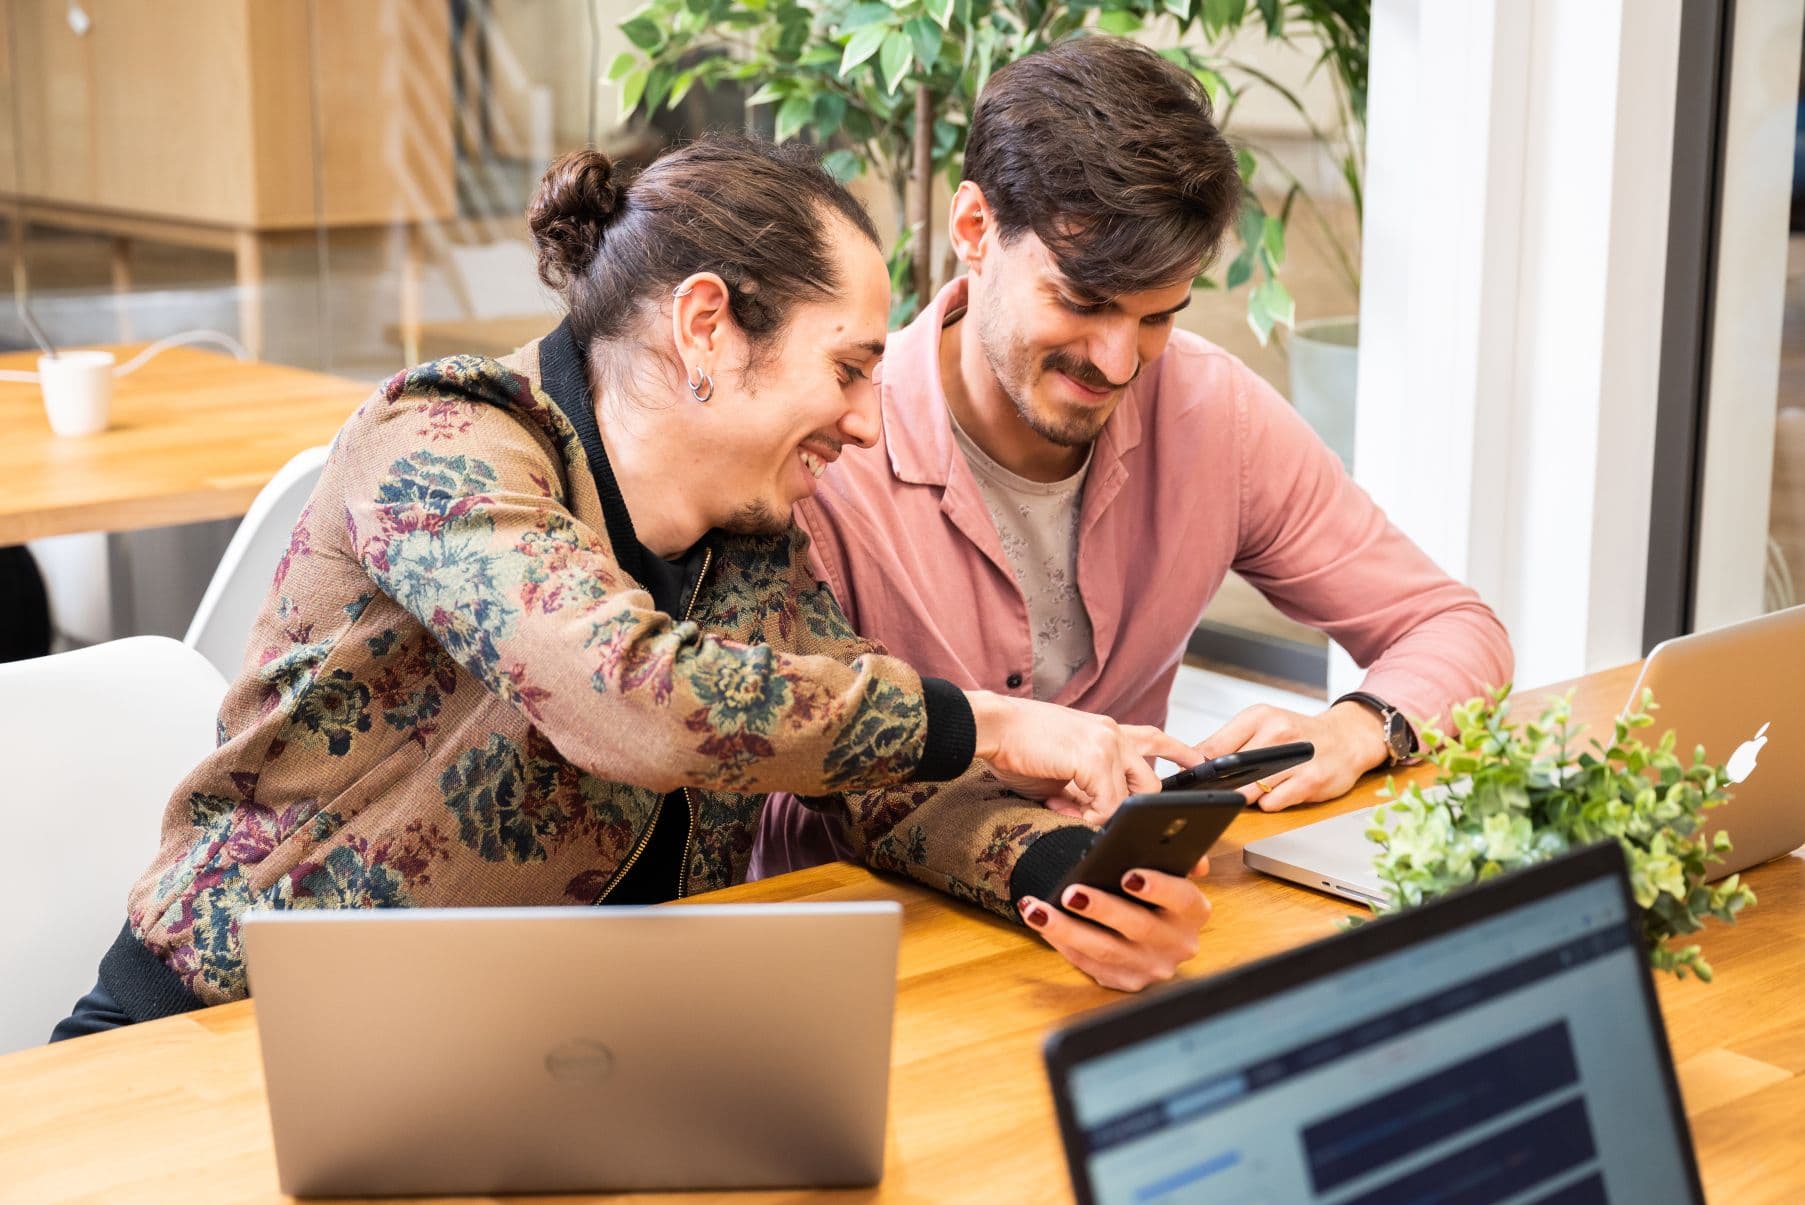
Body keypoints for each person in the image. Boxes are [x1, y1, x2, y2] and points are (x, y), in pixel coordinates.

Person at [50, 135, 1211, 1041]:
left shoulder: (749, 540)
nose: (867, 418)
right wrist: (996, 720)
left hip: (539, 1055)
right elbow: (632, 697)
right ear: (707, 325)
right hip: (226, 1035)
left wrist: (1063, 875)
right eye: (848, 367)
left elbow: (876, 777)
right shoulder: (441, 440)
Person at [751, 35, 1515, 966]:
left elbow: (1454, 626)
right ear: (974, 229)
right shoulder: (824, 450)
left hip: (1139, 933)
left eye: (1157, 316)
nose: (1117, 362)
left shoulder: (1211, 411)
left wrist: (1352, 728)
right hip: (882, 958)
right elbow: (798, 778)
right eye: (1081, 300)